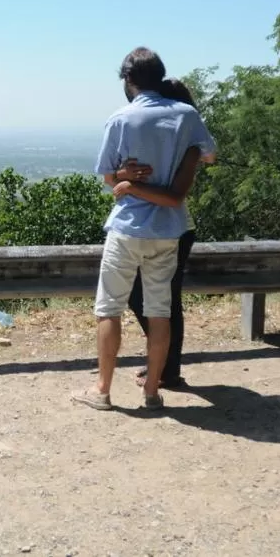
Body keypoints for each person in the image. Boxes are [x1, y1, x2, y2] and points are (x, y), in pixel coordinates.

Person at [73, 50, 216, 411]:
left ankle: (102, 391)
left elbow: (108, 178)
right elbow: (209, 155)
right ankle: (152, 392)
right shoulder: (187, 115)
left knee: (109, 310)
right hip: (167, 231)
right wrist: (182, 153)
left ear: (128, 79)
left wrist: (125, 176)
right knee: (160, 311)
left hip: (126, 228)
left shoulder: (120, 119)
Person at [114, 78, 216, 390]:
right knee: (158, 301)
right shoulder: (165, 143)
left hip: (175, 228)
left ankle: (167, 368)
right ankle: (164, 364)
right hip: (160, 229)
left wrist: (131, 186)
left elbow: (174, 197)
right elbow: (117, 175)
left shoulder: (189, 146)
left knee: (163, 302)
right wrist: (122, 175)